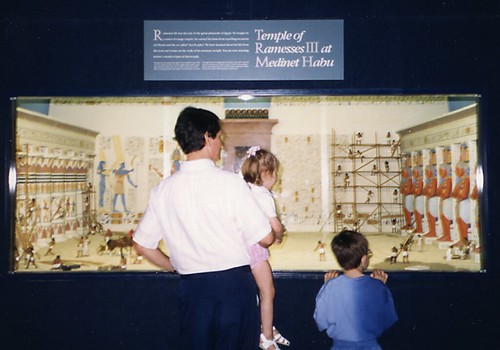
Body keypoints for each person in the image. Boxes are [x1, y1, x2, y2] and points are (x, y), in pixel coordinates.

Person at [132, 107, 275, 350]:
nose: (220, 144)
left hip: (193, 291)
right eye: (219, 137)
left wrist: (173, 265)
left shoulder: (163, 190)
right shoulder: (230, 184)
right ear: (208, 137)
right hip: (234, 290)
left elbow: (141, 245)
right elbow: (265, 238)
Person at [240, 146, 290, 350]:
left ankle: (266, 326)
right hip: (255, 250)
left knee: (254, 293)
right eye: (275, 173)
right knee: (267, 291)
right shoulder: (264, 195)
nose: (276, 178)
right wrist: (279, 235)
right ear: (265, 174)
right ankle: (267, 338)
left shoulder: (243, 189)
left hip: (238, 247)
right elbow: (276, 225)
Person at [314, 230, 398, 350]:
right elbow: (388, 320)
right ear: (363, 259)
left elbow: (320, 321)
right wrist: (380, 287)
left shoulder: (330, 287)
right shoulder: (378, 287)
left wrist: (327, 286)